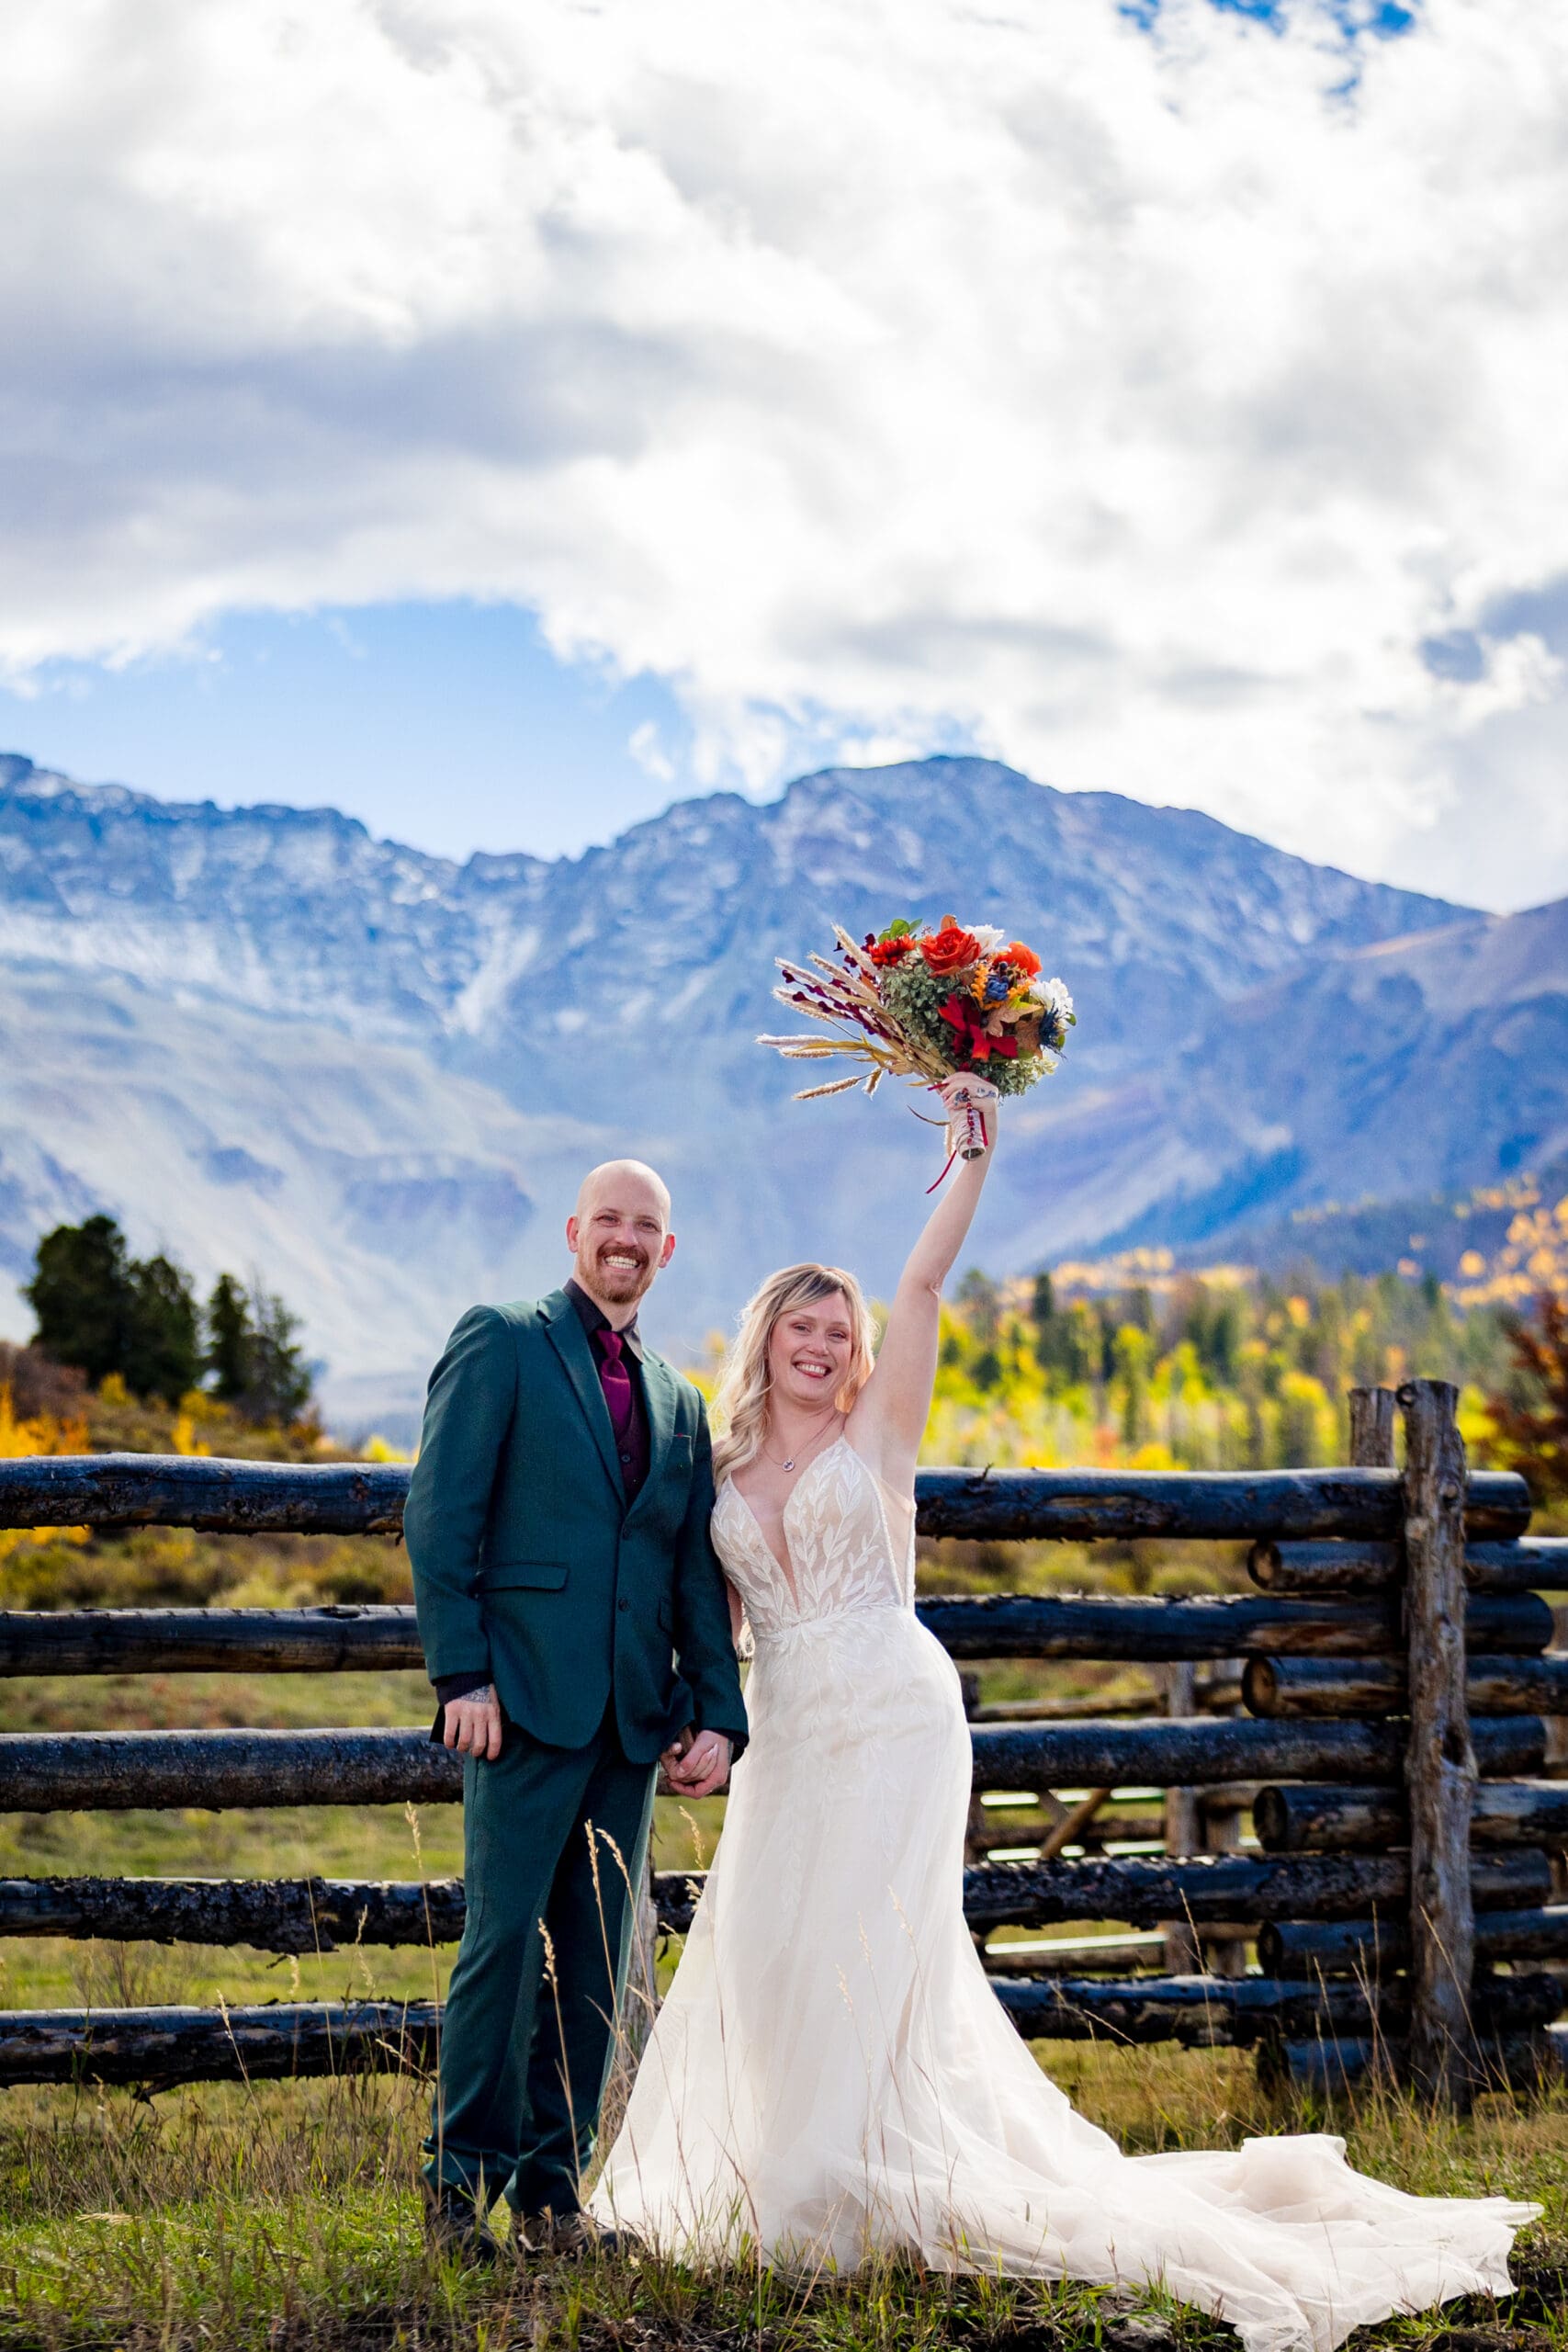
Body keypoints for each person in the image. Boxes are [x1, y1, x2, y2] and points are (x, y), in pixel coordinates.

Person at [590, 1080, 1539, 2352]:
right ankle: (797, 2170)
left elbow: (922, 1289)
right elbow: (705, 1624)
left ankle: (849, 2178)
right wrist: (698, 1719)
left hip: (892, 1714)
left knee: (872, 1950)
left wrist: (967, 1157)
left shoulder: (875, 1433)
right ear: (763, 1336)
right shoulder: (713, 1466)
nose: (819, 1347)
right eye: (800, 1329)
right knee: (768, 1951)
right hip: (788, 1726)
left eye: (837, 1331)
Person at [405, 1158, 747, 2261]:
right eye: (609, 1219)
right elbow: (438, 1515)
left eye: (646, 1225)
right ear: (572, 1231)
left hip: (631, 1727)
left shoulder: (678, 1399)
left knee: (599, 1961)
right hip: (519, 1708)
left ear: (667, 1249)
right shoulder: (502, 1340)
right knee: (501, 1950)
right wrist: (463, 1676)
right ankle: (459, 2194)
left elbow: (691, 1574)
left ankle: (555, 2197)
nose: (626, 1239)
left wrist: (719, 1714)